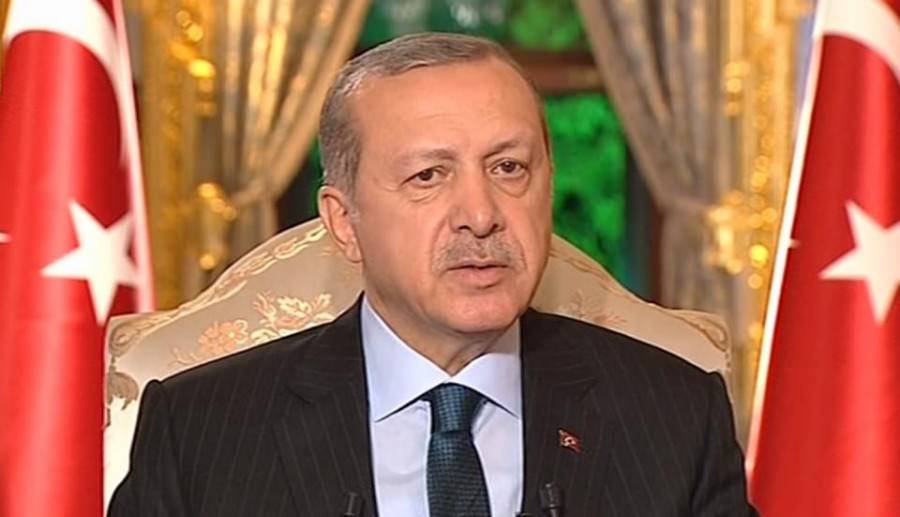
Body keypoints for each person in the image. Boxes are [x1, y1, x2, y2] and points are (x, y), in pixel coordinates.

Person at [109, 32, 756, 516]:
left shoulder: (673, 413)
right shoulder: (201, 429)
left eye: (508, 168)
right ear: (344, 222)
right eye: (428, 175)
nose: (481, 215)